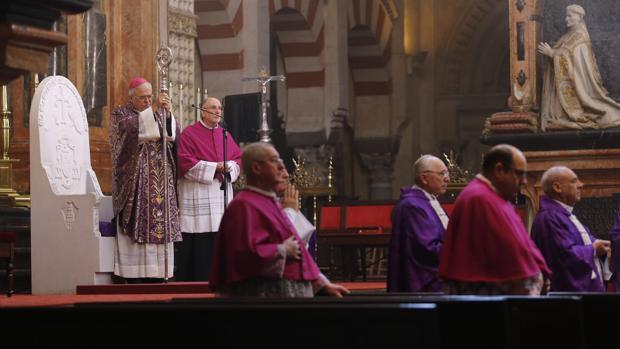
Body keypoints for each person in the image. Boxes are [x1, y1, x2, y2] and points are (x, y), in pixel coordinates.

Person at [209, 142, 349, 297]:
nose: (282, 167)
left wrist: (321, 284)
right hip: (264, 297)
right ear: (256, 168)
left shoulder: (271, 202)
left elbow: (297, 247)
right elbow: (242, 255)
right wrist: (282, 250)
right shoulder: (243, 205)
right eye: (274, 160)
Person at [438, 144, 551, 295]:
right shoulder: (479, 198)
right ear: (499, 170)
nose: (524, 181)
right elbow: (508, 250)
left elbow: (523, 243)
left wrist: (540, 271)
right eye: (519, 174)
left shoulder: (495, 197)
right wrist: (535, 275)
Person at [109, 77, 181, 282]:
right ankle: (133, 274)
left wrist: (168, 115)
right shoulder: (121, 114)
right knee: (138, 221)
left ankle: (159, 272)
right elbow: (128, 133)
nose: (148, 101)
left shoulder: (158, 113)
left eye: (150, 97)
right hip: (137, 182)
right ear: (131, 97)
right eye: (143, 98)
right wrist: (155, 111)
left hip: (161, 180)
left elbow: (172, 135)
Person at [176, 97, 241, 281]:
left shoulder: (225, 134)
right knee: (200, 242)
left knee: (220, 236)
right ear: (202, 111)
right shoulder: (190, 133)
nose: (218, 111)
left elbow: (238, 158)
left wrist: (230, 167)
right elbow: (184, 162)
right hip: (199, 192)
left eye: (220, 108)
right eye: (213, 107)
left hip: (220, 194)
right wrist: (215, 167)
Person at [538, 4, 620, 130]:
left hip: (582, 85)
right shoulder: (568, 35)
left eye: (570, 16)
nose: (566, 19)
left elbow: (570, 57)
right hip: (563, 92)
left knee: (597, 108)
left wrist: (552, 53)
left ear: (579, 17)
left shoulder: (579, 36)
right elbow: (564, 52)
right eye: (566, 16)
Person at [531, 166, 610, 292]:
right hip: (569, 299)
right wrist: (594, 249)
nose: (581, 185)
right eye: (574, 181)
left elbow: (586, 241)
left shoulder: (565, 215)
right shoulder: (549, 218)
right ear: (557, 188)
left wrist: (602, 246)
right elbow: (562, 256)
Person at [387, 155, 450, 293]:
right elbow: (427, 249)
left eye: (447, 173)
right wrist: (460, 251)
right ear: (424, 178)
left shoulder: (428, 201)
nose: (447, 178)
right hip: (424, 283)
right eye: (442, 173)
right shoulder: (413, 206)